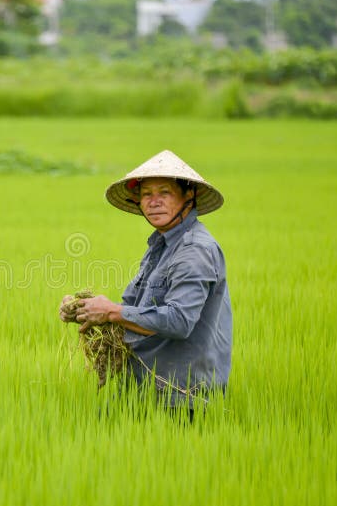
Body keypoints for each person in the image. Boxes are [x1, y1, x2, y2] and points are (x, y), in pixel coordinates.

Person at [59, 149, 232, 410]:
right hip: (143, 389)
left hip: (180, 398)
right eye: (147, 194)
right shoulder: (160, 245)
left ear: (189, 196)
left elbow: (179, 321)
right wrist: (86, 311)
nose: (154, 201)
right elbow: (133, 310)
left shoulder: (194, 250)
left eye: (164, 192)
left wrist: (111, 312)